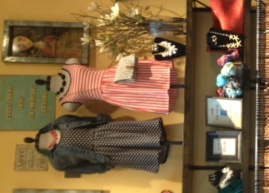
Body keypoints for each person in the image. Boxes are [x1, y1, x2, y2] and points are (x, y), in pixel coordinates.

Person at [24, 113, 179, 175]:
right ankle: (158, 154)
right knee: (133, 153)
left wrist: (100, 120)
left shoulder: (60, 122)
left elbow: (85, 119)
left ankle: (159, 138)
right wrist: (101, 167)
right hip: (102, 153)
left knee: (136, 136)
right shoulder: (58, 163)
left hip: (103, 132)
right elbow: (83, 168)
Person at [35, 56, 178, 114]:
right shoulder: (67, 101)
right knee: (146, 90)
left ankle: (169, 84)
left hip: (113, 82)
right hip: (113, 89)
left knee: (150, 80)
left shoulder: (70, 65)